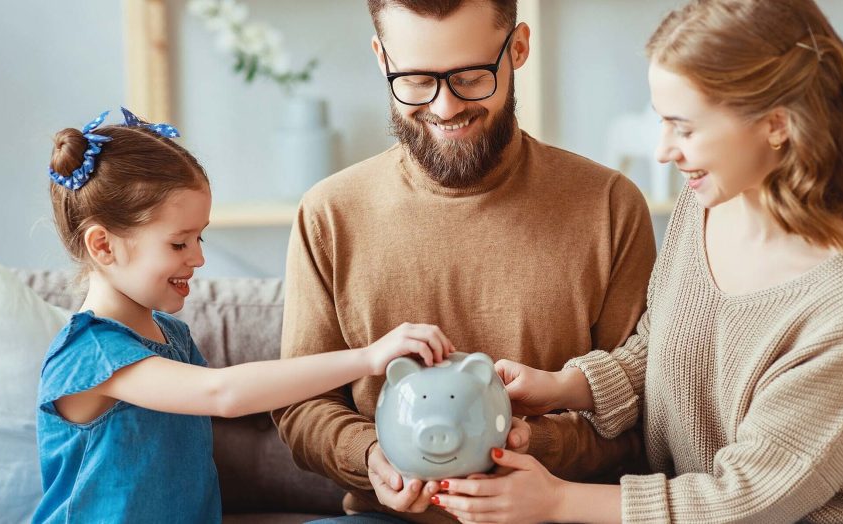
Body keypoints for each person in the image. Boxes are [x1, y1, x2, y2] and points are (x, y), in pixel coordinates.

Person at [433, 0, 843, 522]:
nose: (663, 151)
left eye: (684, 128)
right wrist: (562, 387)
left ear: (776, 124)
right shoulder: (708, 202)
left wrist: (556, 500)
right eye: (661, 122)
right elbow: (665, 344)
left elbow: (751, 496)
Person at [272, 0, 657, 521]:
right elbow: (300, 405)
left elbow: (645, 411)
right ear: (382, 59)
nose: (446, 107)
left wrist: (532, 445)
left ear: (517, 48)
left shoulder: (609, 206)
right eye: (414, 80)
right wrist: (371, 456)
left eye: (471, 77)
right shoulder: (329, 214)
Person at [34, 108, 455, 523]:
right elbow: (222, 393)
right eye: (179, 244)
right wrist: (367, 357)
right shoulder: (89, 354)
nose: (198, 257)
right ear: (103, 246)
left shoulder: (172, 337)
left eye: (200, 237)